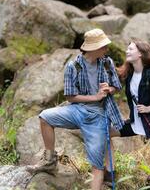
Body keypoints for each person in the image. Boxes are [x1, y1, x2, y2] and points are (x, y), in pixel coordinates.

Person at [28, 28, 124, 190]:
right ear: (93, 48)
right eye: (103, 46)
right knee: (45, 116)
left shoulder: (108, 63)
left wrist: (109, 89)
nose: (107, 49)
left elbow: (117, 86)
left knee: (96, 164)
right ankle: (50, 160)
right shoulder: (73, 66)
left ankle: (104, 178)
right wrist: (95, 97)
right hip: (77, 110)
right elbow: (70, 97)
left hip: (99, 115)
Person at [105, 38, 150, 182]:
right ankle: (109, 171)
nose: (126, 51)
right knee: (105, 132)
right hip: (136, 122)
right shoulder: (130, 75)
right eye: (127, 48)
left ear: (141, 54)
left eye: (131, 49)